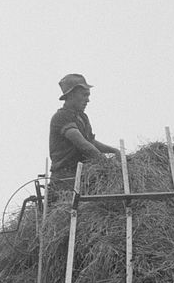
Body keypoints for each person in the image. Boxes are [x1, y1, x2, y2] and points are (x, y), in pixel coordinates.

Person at [47, 73, 122, 205]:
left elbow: (90, 142)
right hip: (65, 179)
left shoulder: (82, 118)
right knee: (70, 212)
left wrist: (114, 151)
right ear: (70, 95)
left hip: (81, 176)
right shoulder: (61, 117)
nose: (88, 100)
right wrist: (106, 165)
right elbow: (83, 145)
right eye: (84, 95)